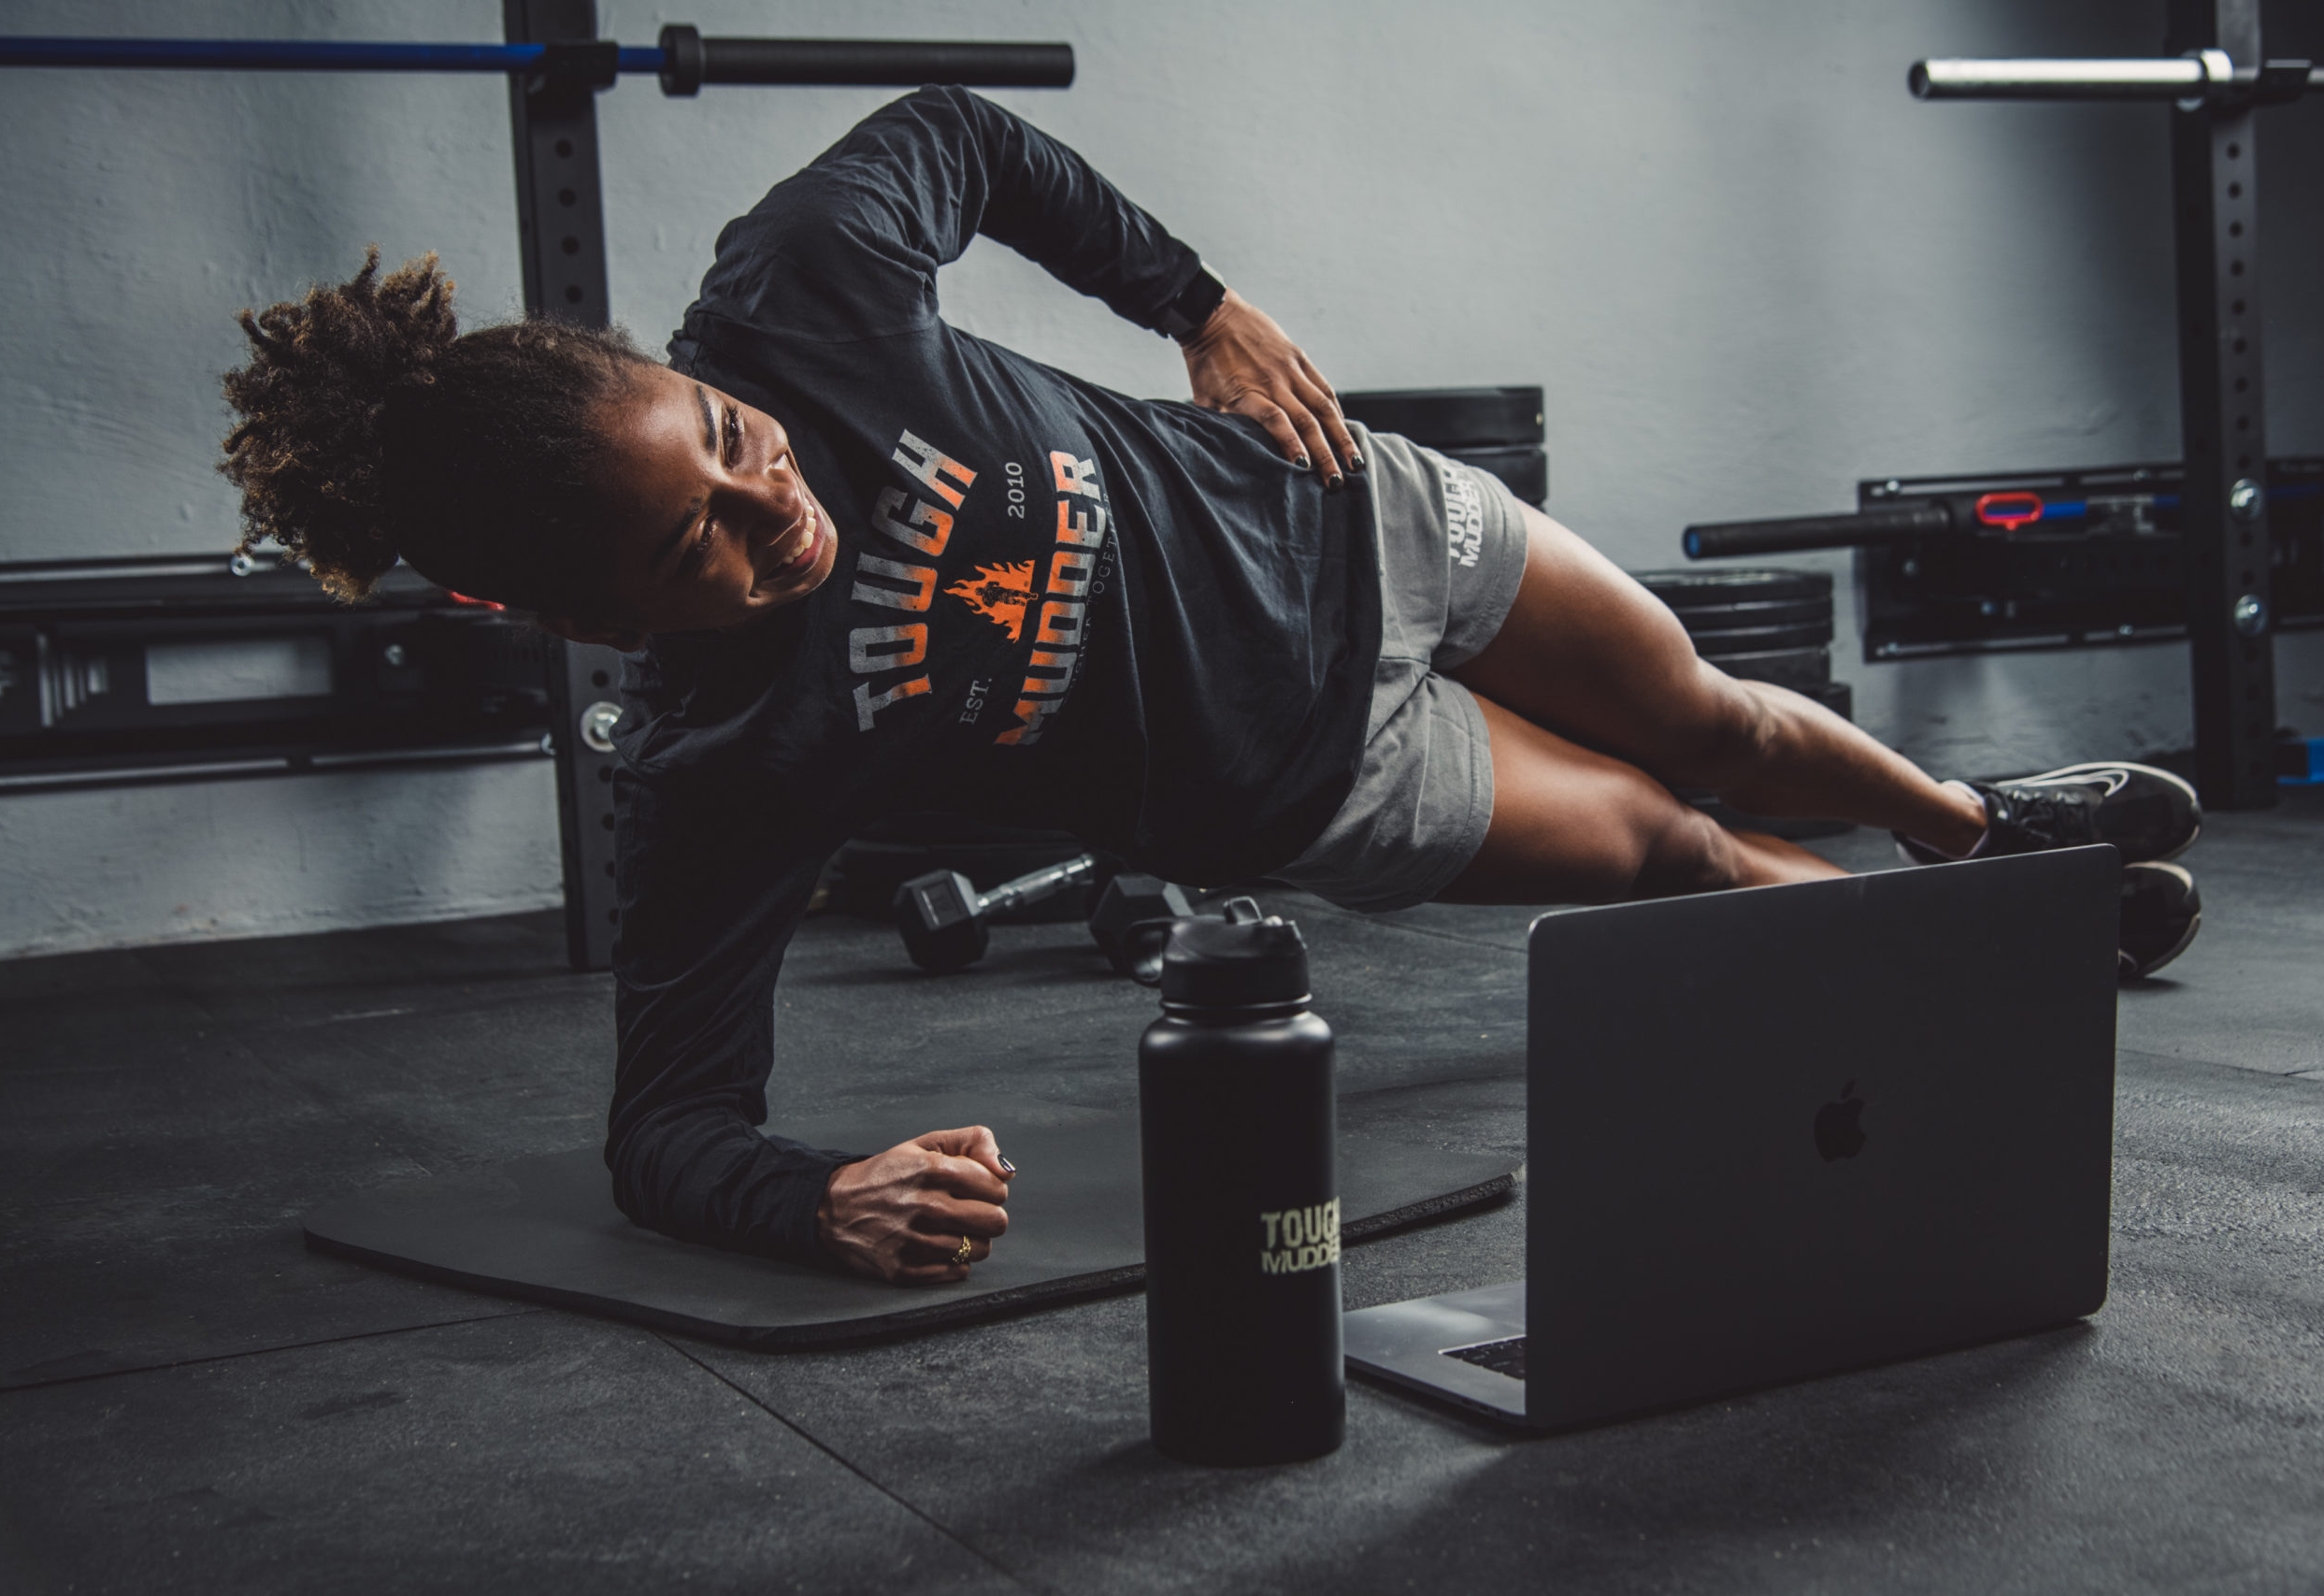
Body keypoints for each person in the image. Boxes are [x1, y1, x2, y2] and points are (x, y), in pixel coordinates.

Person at [217, 87, 2203, 1287]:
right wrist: (818, 1196)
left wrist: (1195, 301)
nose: (776, 512)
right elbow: (665, 1125)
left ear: (700, 376)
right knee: (1678, 851)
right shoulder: (721, 764)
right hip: (1323, 777)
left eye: (733, 447)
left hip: (1356, 517)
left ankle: (1978, 833)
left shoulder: (793, 293)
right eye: (697, 553)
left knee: (1716, 716)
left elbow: (962, 134)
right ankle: (1981, 971)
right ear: (571, 615)